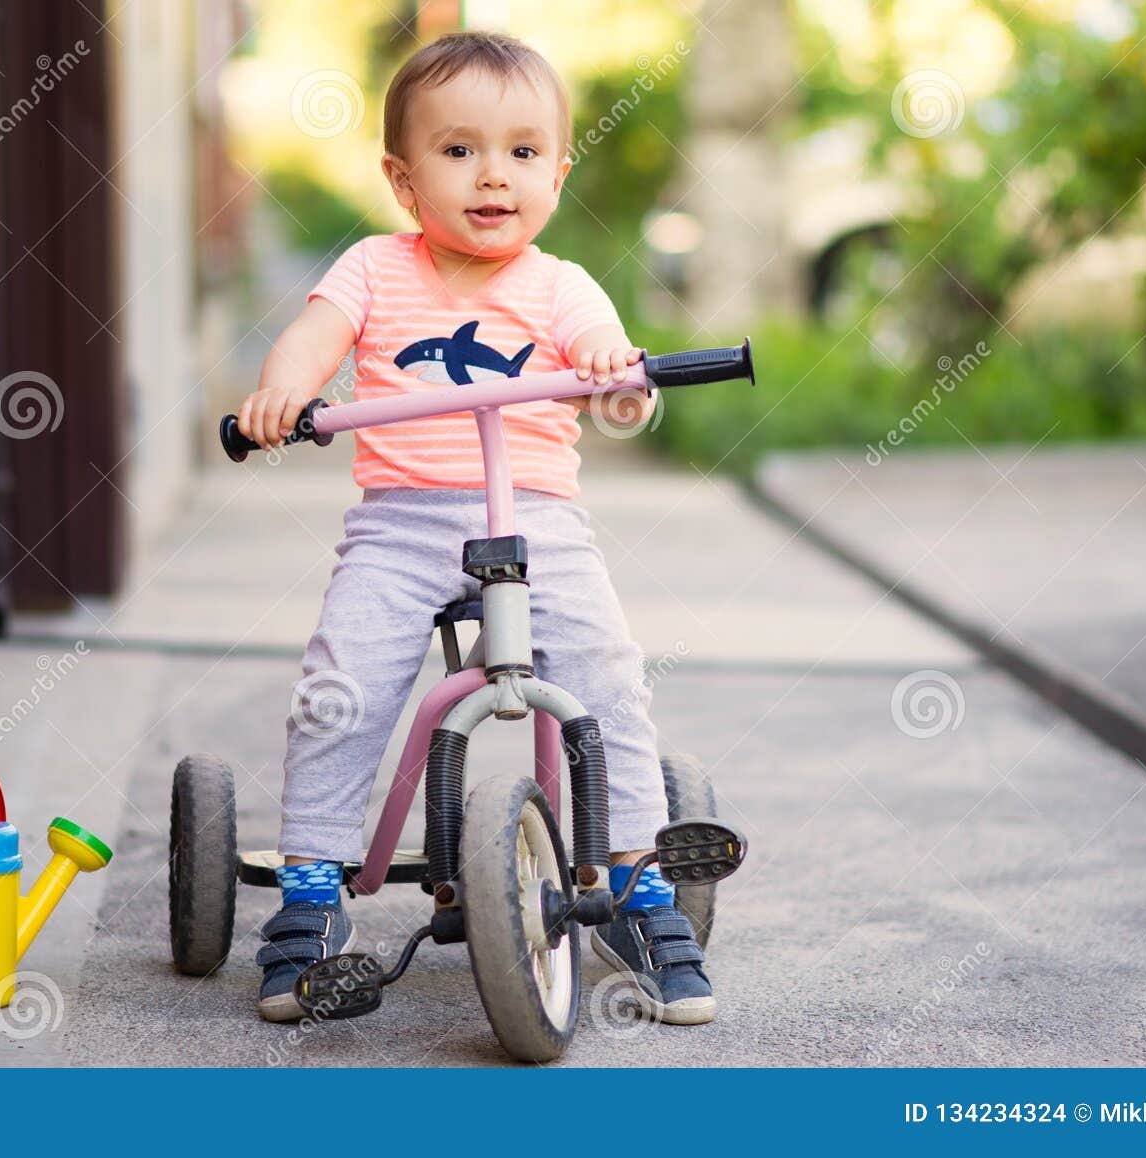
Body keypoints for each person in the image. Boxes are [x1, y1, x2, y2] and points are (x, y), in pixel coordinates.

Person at [235, 30, 713, 1027]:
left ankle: (635, 880)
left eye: (523, 153)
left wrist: (622, 391)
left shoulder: (560, 285)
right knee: (341, 684)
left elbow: (603, 360)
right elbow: (314, 337)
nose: (493, 175)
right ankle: (314, 890)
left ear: (557, 171)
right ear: (403, 179)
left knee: (609, 681)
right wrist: (286, 391)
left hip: (539, 520)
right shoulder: (373, 269)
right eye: (458, 152)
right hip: (400, 522)